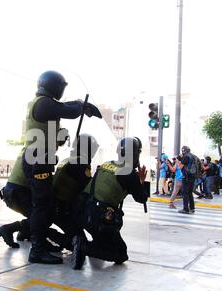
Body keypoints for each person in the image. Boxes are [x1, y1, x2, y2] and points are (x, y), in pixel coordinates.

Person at [21, 70, 102, 264]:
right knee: (42, 207)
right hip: (37, 162)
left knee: (45, 206)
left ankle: (40, 242)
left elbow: (64, 109)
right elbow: (68, 110)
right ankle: (37, 250)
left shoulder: (42, 103)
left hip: (39, 160)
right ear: (53, 86)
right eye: (61, 87)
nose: (61, 91)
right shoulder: (43, 103)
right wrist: (82, 106)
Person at [70, 137, 149, 269]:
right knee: (120, 254)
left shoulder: (107, 164)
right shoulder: (129, 173)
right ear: (135, 154)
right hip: (98, 218)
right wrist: (141, 181)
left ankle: (82, 245)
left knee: (104, 242)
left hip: (82, 211)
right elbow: (142, 198)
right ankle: (83, 247)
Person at [178, 146, 199, 214]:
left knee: (185, 193)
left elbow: (180, 166)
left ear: (184, 151)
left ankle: (185, 209)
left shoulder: (186, 156)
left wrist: (179, 160)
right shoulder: (194, 156)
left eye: (182, 150)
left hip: (186, 177)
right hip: (193, 176)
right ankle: (192, 208)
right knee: (190, 193)